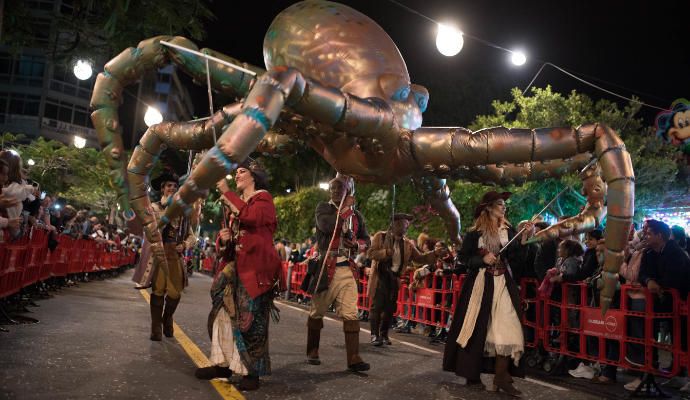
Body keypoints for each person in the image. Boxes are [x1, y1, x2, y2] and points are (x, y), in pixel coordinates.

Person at [195, 160, 282, 391]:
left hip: (256, 271)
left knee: (250, 321)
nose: (237, 175)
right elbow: (235, 241)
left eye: (242, 171)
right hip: (235, 266)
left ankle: (252, 372)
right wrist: (224, 240)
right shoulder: (238, 204)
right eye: (237, 172)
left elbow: (252, 218)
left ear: (255, 175)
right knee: (222, 313)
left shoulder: (263, 199)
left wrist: (226, 192)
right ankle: (223, 364)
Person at [443, 191, 524, 397]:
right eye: (499, 203)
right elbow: (463, 259)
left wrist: (524, 240)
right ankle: (472, 375)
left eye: (504, 204)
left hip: (503, 284)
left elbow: (518, 260)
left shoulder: (509, 231)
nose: (503, 207)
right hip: (480, 285)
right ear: (488, 207)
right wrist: (481, 260)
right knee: (477, 329)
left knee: (510, 327)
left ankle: (501, 376)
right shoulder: (474, 234)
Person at [301, 174, 371, 372]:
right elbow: (327, 226)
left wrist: (357, 244)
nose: (334, 192)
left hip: (347, 268)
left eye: (339, 188)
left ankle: (354, 358)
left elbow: (367, 239)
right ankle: (312, 350)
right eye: (332, 189)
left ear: (349, 191)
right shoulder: (324, 209)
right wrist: (345, 209)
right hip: (326, 268)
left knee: (351, 313)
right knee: (317, 312)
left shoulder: (356, 216)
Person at [367, 213, 444, 346]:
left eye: (407, 225)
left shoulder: (408, 244)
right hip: (380, 276)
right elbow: (371, 254)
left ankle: (384, 334)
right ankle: (375, 335)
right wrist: (385, 253)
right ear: (394, 224)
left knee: (390, 308)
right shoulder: (381, 236)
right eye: (403, 224)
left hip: (394, 278)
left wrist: (435, 254)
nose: (406, 228)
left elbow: (420, 258)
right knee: (377, 307)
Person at [146, 172, 194, 341]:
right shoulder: (154, 207)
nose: (172, 188)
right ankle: (156, 328)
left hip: (175, 254)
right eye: (169, 186)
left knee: (175, 293)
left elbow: (191, 236)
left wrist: (185, 245)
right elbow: (149, 231)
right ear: (162, 189)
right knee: (158, 290)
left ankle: (167, 318)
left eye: (175, 186)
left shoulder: (183, 210)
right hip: (160, 253)